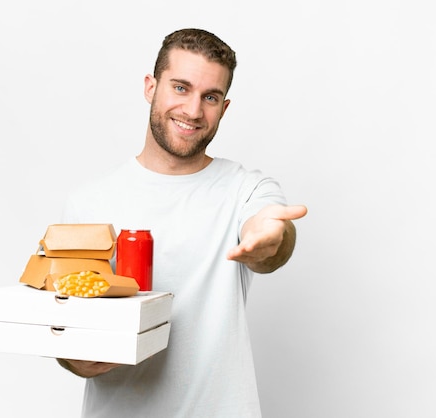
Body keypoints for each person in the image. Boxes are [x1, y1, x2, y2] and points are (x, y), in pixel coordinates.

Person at [56, 28, 308, 418]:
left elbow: (271, 236)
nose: (193, 110)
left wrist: (271, 240)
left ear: (224, 108)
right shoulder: (88, 203)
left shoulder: (245, 189)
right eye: (180, 88)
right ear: (150, 87)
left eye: (210, 97)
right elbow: (65, 323)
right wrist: (75, 360)